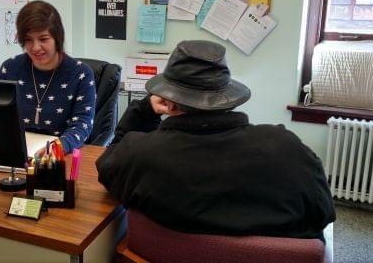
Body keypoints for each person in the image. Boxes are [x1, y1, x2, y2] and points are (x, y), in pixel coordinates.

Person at [96, 40, 335, 240]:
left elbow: (108, 166)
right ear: (226, 97)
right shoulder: (287, 148)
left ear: (168, 100)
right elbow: (322, 212)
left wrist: (145, 110)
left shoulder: (140, 155)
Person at [0, 0, 95, 155]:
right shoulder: (10, 68)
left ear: (57, 38)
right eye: (28, 40)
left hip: (61, 154)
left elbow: (82, 124)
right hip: (17, 151)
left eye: (43, 39)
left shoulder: (81, 74)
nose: (35, 48)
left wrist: (59, 147)